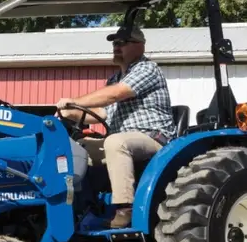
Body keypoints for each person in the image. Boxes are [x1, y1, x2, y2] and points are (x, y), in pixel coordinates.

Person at [55, 25, 176, 228]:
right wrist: (70, 112)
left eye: (122, 43)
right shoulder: (115, 78)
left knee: (115, 142)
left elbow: (115, 94)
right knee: (76, 148)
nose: (116, 47)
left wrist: (75, 100)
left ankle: (124, 209)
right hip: (125, 139)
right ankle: (84, 207)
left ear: (140, 46)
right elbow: (103, 113)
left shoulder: (147, 69)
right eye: (115, 43)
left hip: (154, 139)